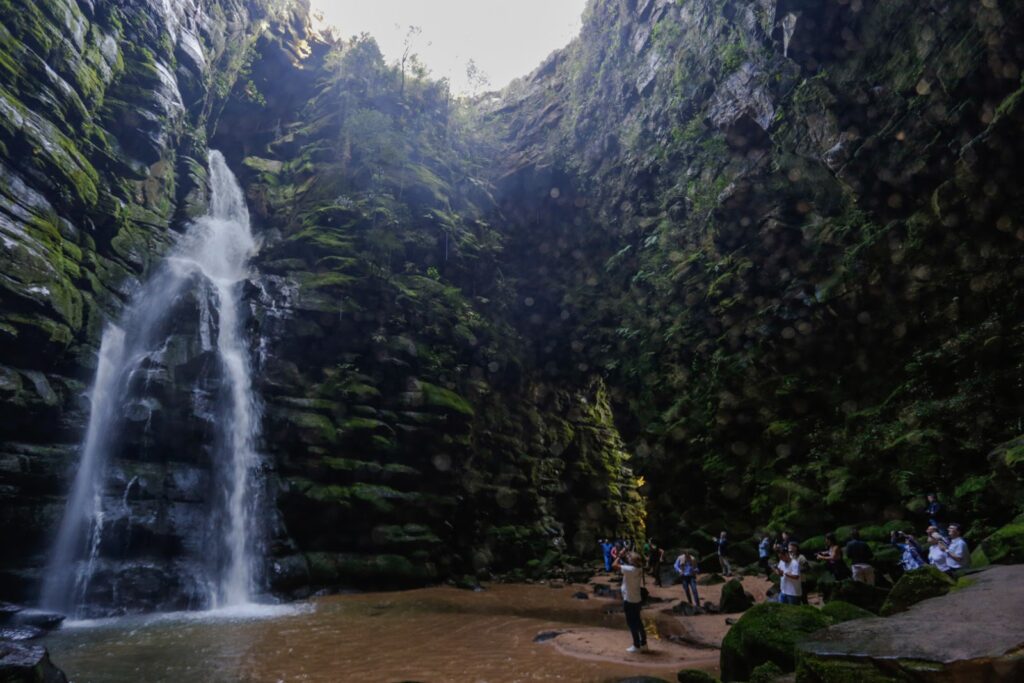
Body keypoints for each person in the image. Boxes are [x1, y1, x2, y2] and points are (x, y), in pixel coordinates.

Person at [613, 551, 649, 653]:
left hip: (629, 600)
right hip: (637, 599)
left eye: (629, 558)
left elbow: (614, 565)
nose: (628, 559)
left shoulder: (629, 570)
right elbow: (626, 564)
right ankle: (644, 643)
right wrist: (625, 555)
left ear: (632, 561)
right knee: (638, 622)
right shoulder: (638, 568)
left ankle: (636, 645)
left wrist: (619, 555)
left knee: (631, 623)